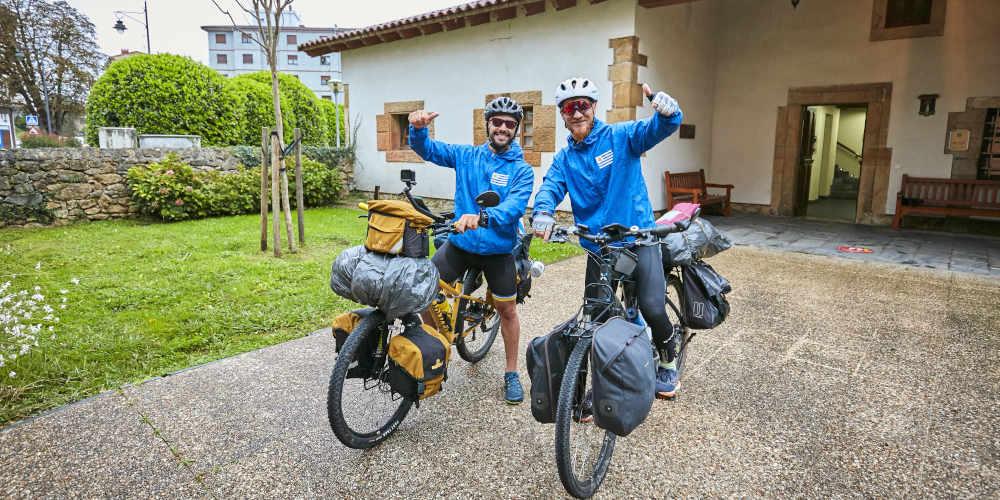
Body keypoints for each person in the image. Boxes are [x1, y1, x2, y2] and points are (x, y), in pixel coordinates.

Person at [531, 77, 684, 399]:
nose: (576, 113)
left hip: (638, 238)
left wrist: (668, 114)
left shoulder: (620, 136)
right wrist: (542, 211)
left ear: (594, 107)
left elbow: (657, 128)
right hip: (600, 247)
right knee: (594, 313)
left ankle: (668, 360)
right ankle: (589, 388)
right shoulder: (564, 159)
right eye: (569, 108)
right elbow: (550, 187)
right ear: (562, 114)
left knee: (653, 308)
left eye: (582, 105)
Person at [408, 96, 535, 404]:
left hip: (499, 249)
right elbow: (430, 151)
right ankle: (436, 347)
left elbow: (514, 207)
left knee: (507, 310)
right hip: (461, 244)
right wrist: (419, 130)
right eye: (497, 122)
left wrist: (482, 217)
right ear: (487, 124)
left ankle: (511, 372)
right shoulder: (467, 156)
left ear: (516, 129)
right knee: (424, 287)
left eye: (510, 124)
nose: (503, 128)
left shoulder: (522, 170)